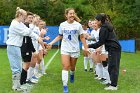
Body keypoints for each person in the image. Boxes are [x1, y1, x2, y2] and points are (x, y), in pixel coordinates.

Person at [48, 8, 89, 93]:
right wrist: (51, 43)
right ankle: (65, 86)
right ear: (66, 15)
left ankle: (72, 74)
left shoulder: (78, 25)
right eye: (70, 13)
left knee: (72, 67)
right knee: (66, 66)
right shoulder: (62, 25)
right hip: (65, 48)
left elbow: (82, 37)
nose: (72, 15)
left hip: (75, 49)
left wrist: (86, 48)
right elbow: (60, 36)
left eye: (73, 13)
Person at [6, 7, 43, 91]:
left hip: (16, 47)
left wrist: (37, 37)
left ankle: (17, 86)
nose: (25, 18)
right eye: (24, 16)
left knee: (18, 67)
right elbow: (27, 32)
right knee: (16, 68)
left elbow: (28, 30)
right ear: (20, 15)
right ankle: (16, 87)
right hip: (13, 47)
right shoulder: (15, 24)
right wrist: (37, 37)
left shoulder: (19, 23)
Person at [88, 13, 121, 90]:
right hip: (114, 48)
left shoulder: (103, 28)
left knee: (113, 67)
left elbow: (100, 43)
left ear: (100, 21)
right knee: (112, 66)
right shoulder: (107, 25)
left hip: (113, 48)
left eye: (96, 21)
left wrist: (88, 46)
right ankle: (113, 84)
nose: (95, 22)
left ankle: (113, 86)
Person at [20, 11, 35, 86]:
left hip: (27, 48)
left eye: (32, 18)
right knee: (25, 65)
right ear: (25, 18)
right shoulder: (25, 25)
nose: (31, 19)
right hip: (25, 48)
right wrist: (34, 50)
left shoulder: (28, 25)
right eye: (29, 17)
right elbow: (28, 39)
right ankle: (22, 82)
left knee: (27, 65)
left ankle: (24, 81)